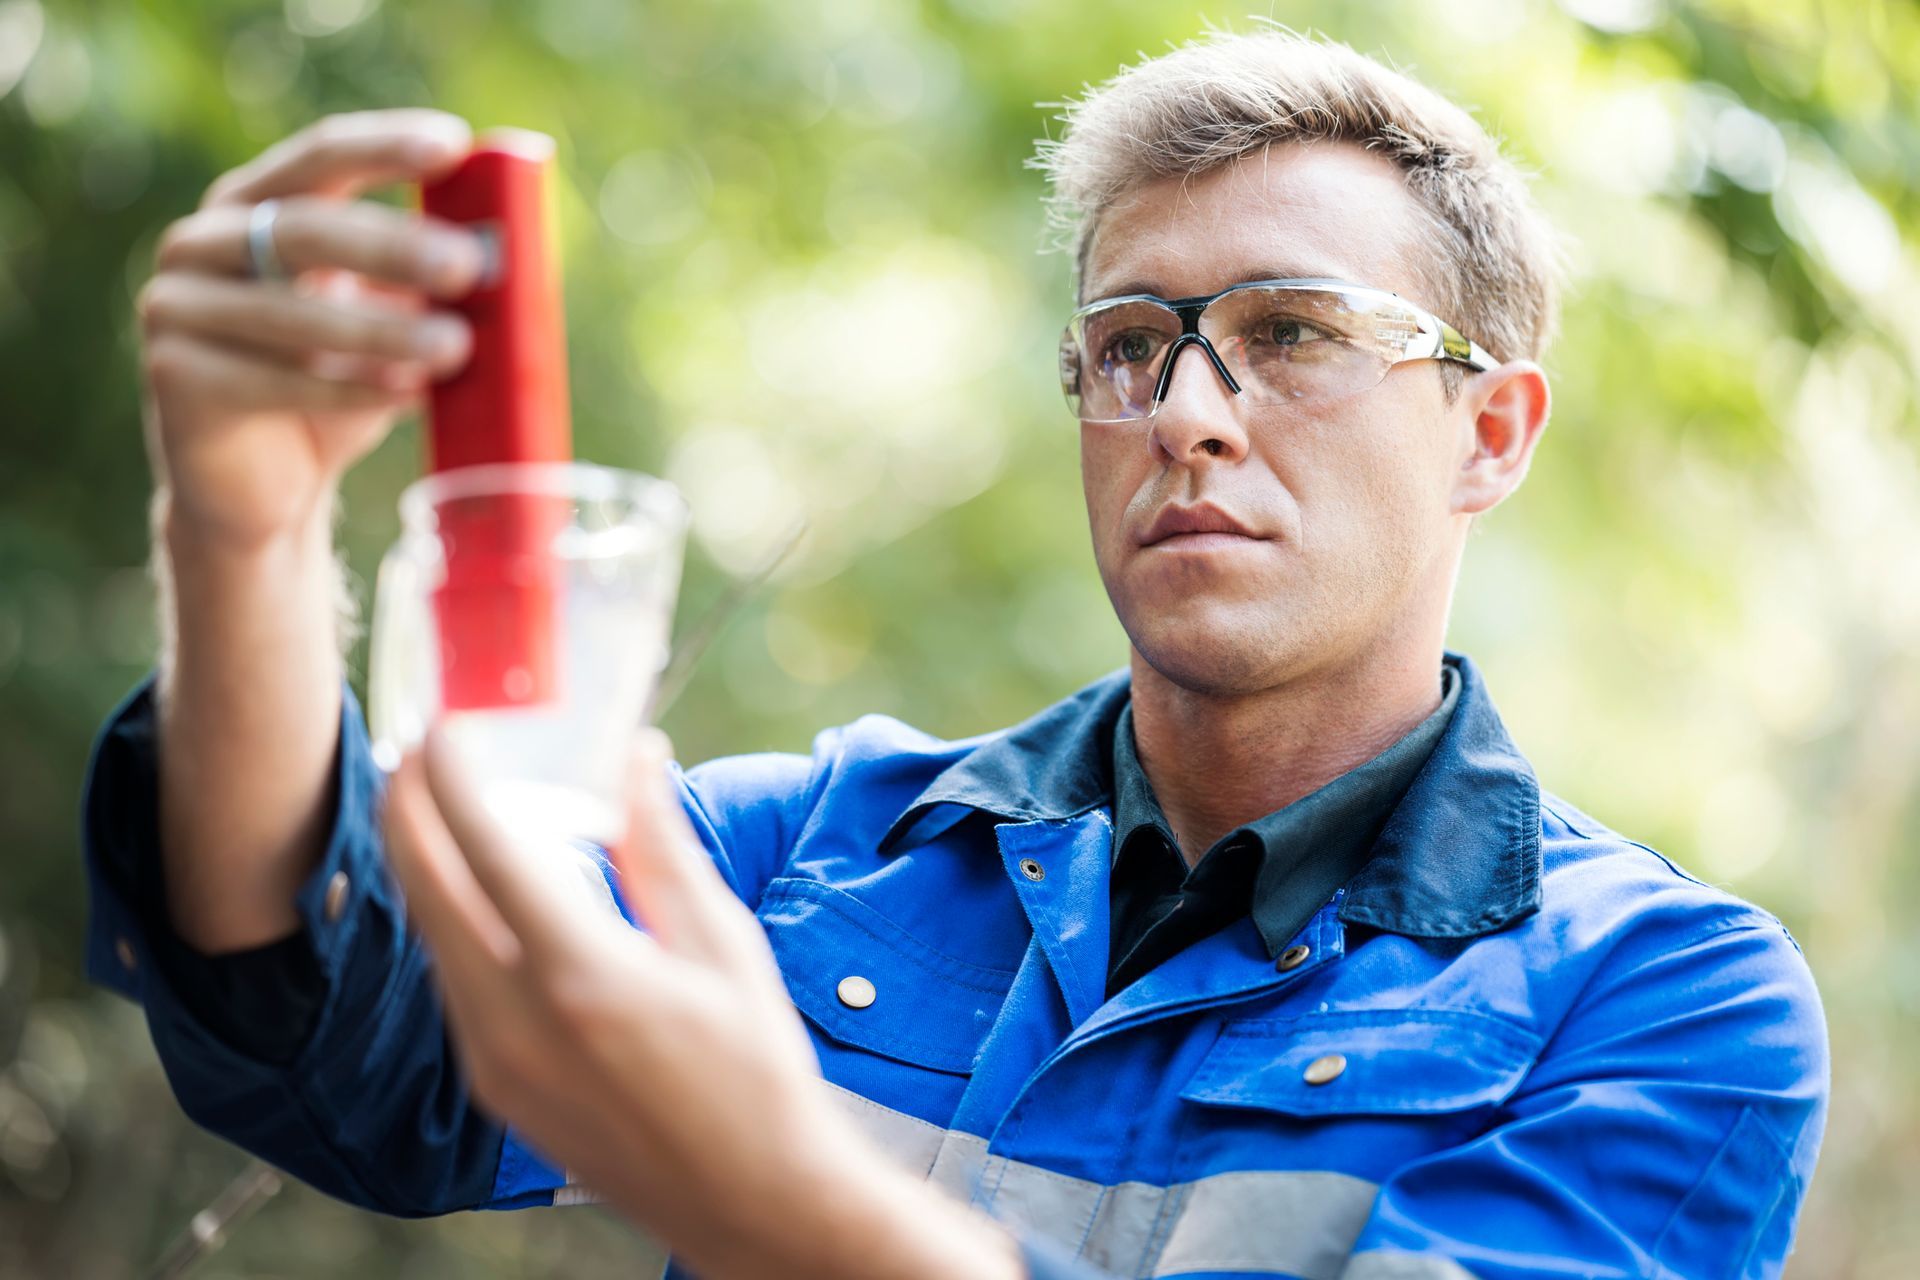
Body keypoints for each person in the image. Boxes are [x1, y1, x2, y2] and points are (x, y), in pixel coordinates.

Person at [83, 29, 1828, 1280]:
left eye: (1292, 332)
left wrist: (793, 1215)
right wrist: (240, 537)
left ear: (1493, 433)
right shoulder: (817, 854)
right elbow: (344, 1019)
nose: (1189, 414)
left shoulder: (1659, 1009)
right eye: (1131, 344)